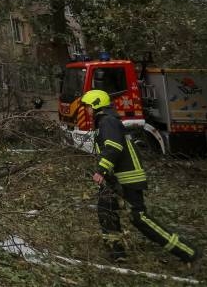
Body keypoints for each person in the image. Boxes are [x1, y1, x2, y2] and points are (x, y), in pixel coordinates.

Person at [81, 89, 200, 263]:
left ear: (96, 105)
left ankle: (187, 252)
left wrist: (101, 170)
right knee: (106, 211)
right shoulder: (104, 122)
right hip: (115, 180)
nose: (86, 110)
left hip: (128, 178)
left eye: (88, 106)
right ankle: (117, 254)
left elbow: (113, 147)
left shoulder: (108, 121)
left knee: (139, 218)